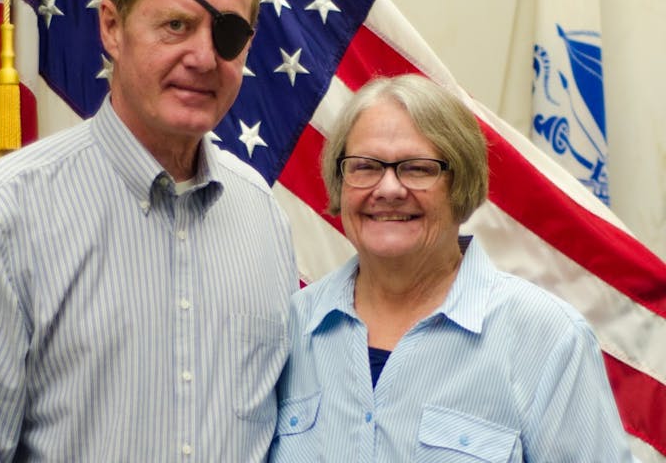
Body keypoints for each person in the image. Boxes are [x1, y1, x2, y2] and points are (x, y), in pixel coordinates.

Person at [0, 0, 298, 462]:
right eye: (176, 25)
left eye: (229, 34)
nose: (204, 57)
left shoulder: (262, 216)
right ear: (112, 27)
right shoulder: (7, 211)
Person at [269, 74, 633, 462]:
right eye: (365, 166)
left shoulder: (548, 338)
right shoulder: (292, 327)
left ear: (461, 184)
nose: (389, 189)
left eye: (418, 169)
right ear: (340, 182)